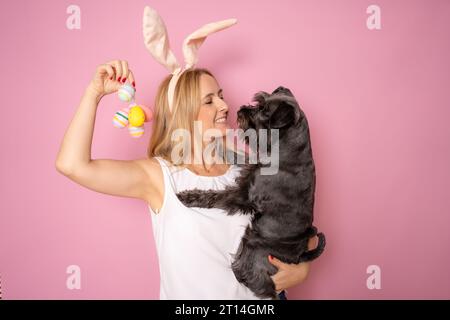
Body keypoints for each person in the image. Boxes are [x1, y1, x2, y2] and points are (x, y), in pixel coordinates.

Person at [55, 60, 318, 299]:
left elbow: (294, 218)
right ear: (184, 112)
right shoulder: (160, 177)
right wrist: (94, 93)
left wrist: (302, 267)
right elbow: (71, 165)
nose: (225, 106)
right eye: (209, 100)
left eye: (222, 96)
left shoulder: (248, 167)